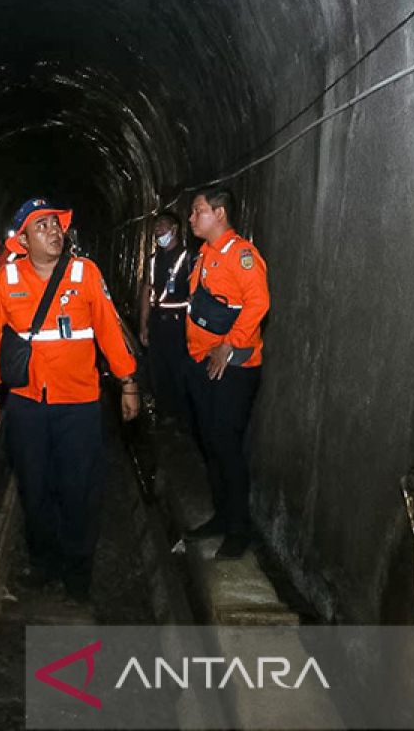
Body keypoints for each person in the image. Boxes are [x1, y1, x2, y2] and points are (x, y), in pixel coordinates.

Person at [0, 198, 139, 601]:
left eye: (55, 223)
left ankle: (78, 570)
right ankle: (44, 563)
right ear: (24, 240)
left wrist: (128, 383)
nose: (53, 231)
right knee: (35, 488)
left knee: (79, 488)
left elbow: (108, 331)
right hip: (28, 404)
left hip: (79, 403)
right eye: (42, 226)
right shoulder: (8, 280)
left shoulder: (84, 273)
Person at [183, 188, 270, 559]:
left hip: (232, 369)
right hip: (204, 363)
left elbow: (259, 302)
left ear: (219, 213)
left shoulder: (242, 255)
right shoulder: (205, 255)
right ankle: (222, 515)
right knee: (211, 444)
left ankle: (239, 528)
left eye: (197, 211)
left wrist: (229, 343)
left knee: (227, 446)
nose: (191, 218)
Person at [137, 211, 194, 423]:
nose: (158, 231)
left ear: (174, 229)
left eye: (162, 226)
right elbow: (146, 290)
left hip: (179, 325)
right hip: (157, 322)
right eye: (156, 227)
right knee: (157, 371)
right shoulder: (153, 260)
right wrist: (143, 324)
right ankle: (165, 414)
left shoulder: (189, 258)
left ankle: (182, 418)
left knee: (178, 372)